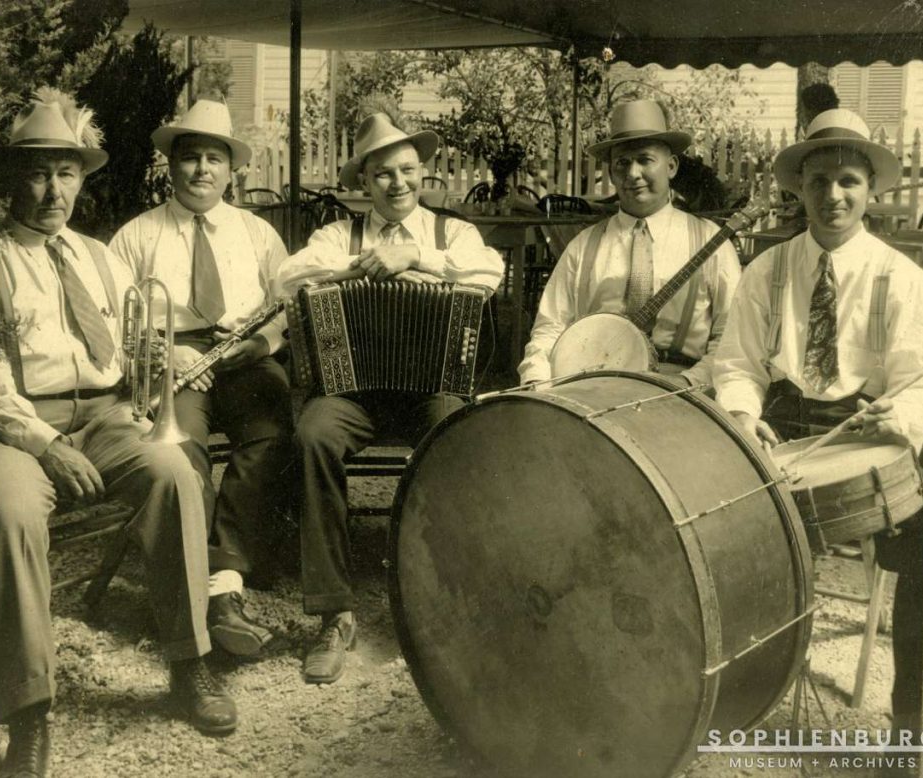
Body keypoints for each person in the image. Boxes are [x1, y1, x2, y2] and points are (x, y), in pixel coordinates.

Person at [0, 89, 238, 777]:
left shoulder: (101, 257)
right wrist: (43, 446)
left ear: (80, 179)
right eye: (37, 171)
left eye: (66, 172)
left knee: (178, 471)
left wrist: (156, 362)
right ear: (10, 179)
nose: (53, 189)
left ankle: (190, 664)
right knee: (8, 510)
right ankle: (28, 713)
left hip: (108, 415)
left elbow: (132, 347)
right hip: (23, 426)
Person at [712, 108, 923, 747]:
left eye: (848, 180)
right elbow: (737, 362)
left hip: (865, 433)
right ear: (799, 188)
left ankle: (911, 721)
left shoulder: (901, 277)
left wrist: (894, 421)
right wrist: (743, 417)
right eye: (819, 181)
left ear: (870, 189)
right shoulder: (766, 270)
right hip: (779, 426)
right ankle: (714, 695)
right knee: (700, 525)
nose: (833, 196)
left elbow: (919, 378)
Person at [275, 105, 503, 684]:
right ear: (364, 182)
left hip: (431, 386)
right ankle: (335, 613)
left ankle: (442, 600)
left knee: (457, 434)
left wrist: (417, 256)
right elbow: (287, 279)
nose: (397, 184)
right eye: (382, 174)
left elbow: (488, 276)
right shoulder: (337, 234)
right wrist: (362, 264)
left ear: (424, 172)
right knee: (313, 434)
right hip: (354, 389)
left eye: (406, 170)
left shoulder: (455, 234)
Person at [111, 99, 293, 657]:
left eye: (215, 158)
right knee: (183, 450)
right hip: (174, 367)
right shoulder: (136, 236)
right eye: (191, 158)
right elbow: (117, 315)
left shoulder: (259, 234)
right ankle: (201, 584)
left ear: (231, 170)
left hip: (245, 355)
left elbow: (286, 306)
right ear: (171, 165)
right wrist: (165, 359)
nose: (202, 170)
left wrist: (260, 344)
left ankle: (226, 577)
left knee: (272, 430)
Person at [518, 99, 742, 388]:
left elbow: (732, 336)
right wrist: (537, 379)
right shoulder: (584, 246)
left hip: (682, 389)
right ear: (611, 173)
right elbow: (550, 327)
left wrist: (689, 382)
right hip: (592, 389)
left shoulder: (711, 241)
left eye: (645, 160)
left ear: (671, 166)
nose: (633, 174)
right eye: (622, 163)